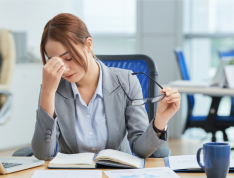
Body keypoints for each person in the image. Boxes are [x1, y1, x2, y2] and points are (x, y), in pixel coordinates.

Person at [32, 13, 181, 161]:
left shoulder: (127, 81)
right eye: (54, 62)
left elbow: (141, 149)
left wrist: (160, 120)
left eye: (68, 58)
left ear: (88, 45)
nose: (63, 69)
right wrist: (47, 92)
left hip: (117, 174)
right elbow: (43, 154)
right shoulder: (52, 89)